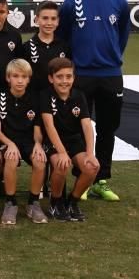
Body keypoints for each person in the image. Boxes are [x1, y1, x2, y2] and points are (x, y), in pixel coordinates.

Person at [58, 0, 131, 202]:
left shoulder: (119, 3)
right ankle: (83, 178)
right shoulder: (71, 3)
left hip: (111, 75)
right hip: (82, 77)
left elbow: (122, 37)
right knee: (79, 129)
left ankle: (101, 180)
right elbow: (64, 38)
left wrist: (111, 58)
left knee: (108, 129)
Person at [40, 58, 99, 222]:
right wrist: (62, 152)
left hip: (73, 140)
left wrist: (90, 153)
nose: (64, 81)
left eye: (68, 76)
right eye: (59, 77)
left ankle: (72, 202)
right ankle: (56, 202)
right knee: (61, 163)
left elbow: (87, 125)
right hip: (52, 141)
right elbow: (49, 126)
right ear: (51, 78)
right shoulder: (45, 95)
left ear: (73, 78)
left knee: (92, 167)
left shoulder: (79, 95)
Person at [0, 59, 49, 225]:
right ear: (8, 78)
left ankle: (33, 203)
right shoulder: (0, 97)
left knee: (40, 161)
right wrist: (9, 143)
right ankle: (11, 202)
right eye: (15, 76)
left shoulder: (35, 98)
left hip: (28, 141)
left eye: (23, 76)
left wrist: (38, 145)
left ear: (29, 79)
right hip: (7, 140)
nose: (19, 80)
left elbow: (38, 128)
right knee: (11, 158)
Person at [20, 1, 71, 94]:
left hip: (58, 99)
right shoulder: (26, 47)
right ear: (36, 20)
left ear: (58, 21)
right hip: (35, 99)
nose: (49, 23)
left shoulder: (65, 46)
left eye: (53, 19)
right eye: (45, 18)